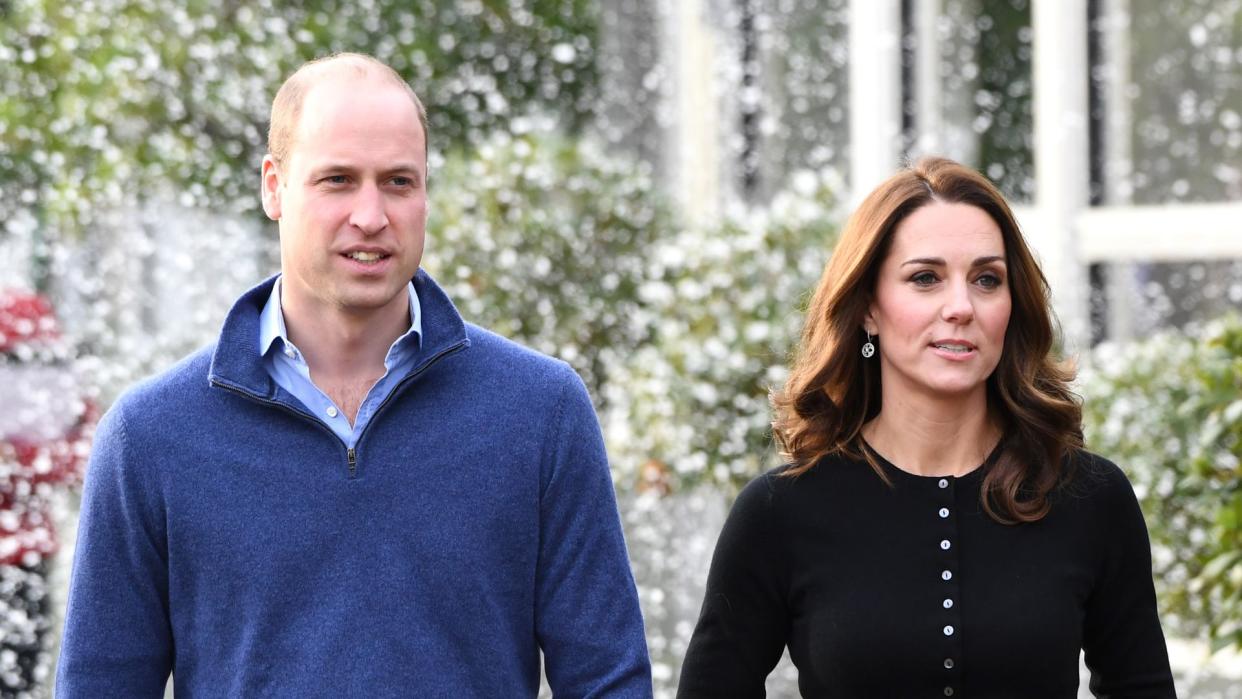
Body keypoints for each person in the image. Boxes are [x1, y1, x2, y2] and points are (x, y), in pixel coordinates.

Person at [57, 52, 652, 697]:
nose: (371, 216)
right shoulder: (151, 435)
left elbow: (607, 680)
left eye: (399, 181)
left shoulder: (540, 410)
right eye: (337, 179)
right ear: (274, 187)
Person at [677, 157, 1175, 697]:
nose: (960, 306)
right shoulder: (779, 511)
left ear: (1012, 305)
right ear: (869, 306)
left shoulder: (1091, 498)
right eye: (925, 279)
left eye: (987, 279)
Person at [0, 291, 96, 696]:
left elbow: (82, 453)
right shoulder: (31, 323)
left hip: (23, 558)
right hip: (27, 556)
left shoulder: (25, 322)